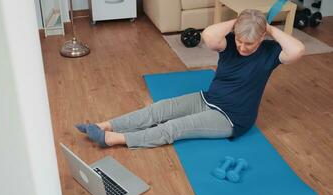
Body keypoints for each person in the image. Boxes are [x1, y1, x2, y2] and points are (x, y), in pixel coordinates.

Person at [75, 9, 305, 148]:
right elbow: (209, 36)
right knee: (160, 109)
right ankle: (102, 125)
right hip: (208, 98)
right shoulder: (228, 46)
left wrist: (269, 29)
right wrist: (239, 23)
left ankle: (115, 139)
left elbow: (297, 50)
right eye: (240, 40)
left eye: (250, 43)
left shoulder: (270, 53)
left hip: (232, 119)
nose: (243, 47)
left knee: (173, 127)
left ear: (261, 37)